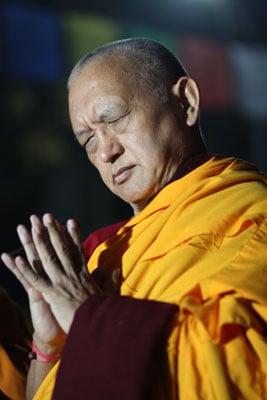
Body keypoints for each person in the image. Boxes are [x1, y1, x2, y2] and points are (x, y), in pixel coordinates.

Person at [1, 37, 267, 400]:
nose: (106, 151)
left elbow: (243, 369)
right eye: (88, 141)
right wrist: (50, 345)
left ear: (186, 102)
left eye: (115, 118)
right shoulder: (99, 254)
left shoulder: (251, 218)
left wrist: (93, 318)